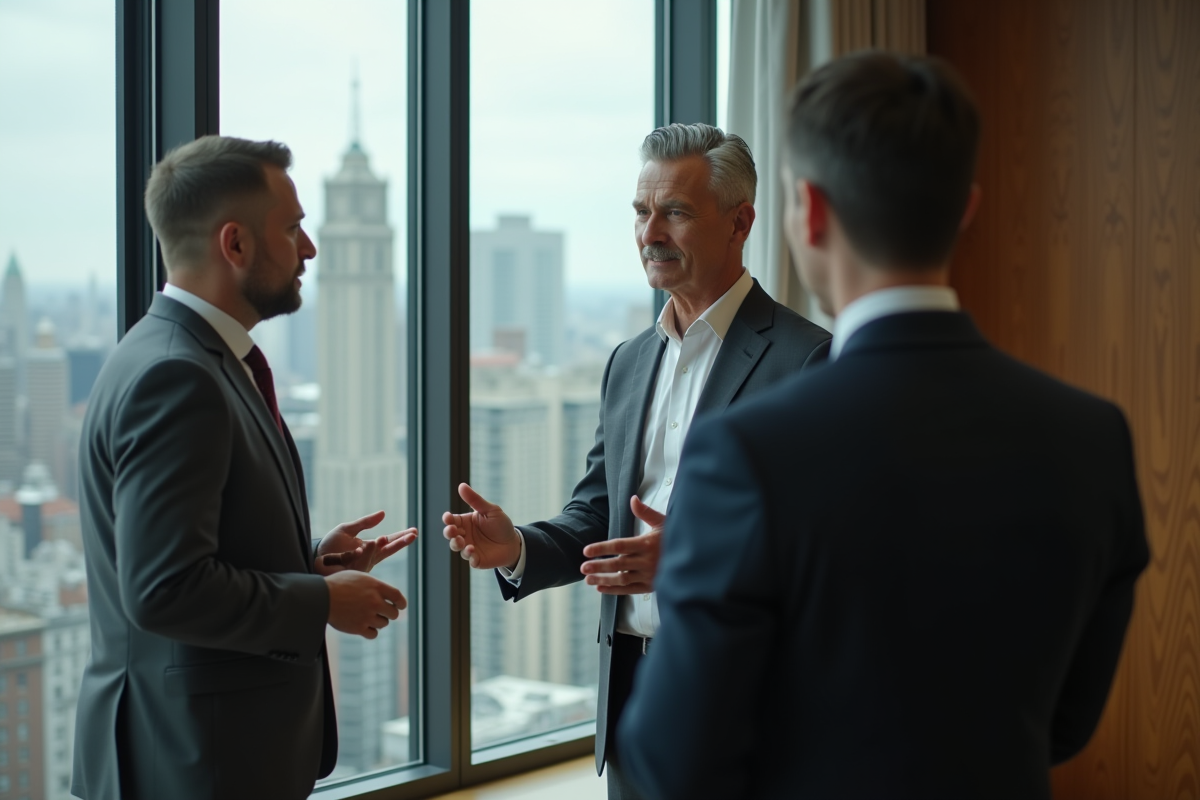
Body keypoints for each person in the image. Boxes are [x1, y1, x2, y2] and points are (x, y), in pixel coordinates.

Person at [616, 51, 1150, 800]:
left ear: (810, 212)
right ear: (964, 207)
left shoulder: (747, 455)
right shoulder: (1094, 438)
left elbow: (671, 756)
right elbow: (1063, 724)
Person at [442, 123, 830, 798]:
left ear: (741, 222)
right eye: (640, 211)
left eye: (675, 212)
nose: (651, 233)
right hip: (632, 700)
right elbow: (598, 515)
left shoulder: (808, 360)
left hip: (750, 703)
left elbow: (826, 555)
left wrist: (690, 560)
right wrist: (517, 548)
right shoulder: (627, 362)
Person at [72, 135, 417, 800]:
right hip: (195, 763)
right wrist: (322, 601)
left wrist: (308, 560)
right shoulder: (178, 377)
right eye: (292, 230)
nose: (309, 250)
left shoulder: (177, 355)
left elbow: (191, 547)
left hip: (201, 754)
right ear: (235, 245)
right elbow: (163, 588)